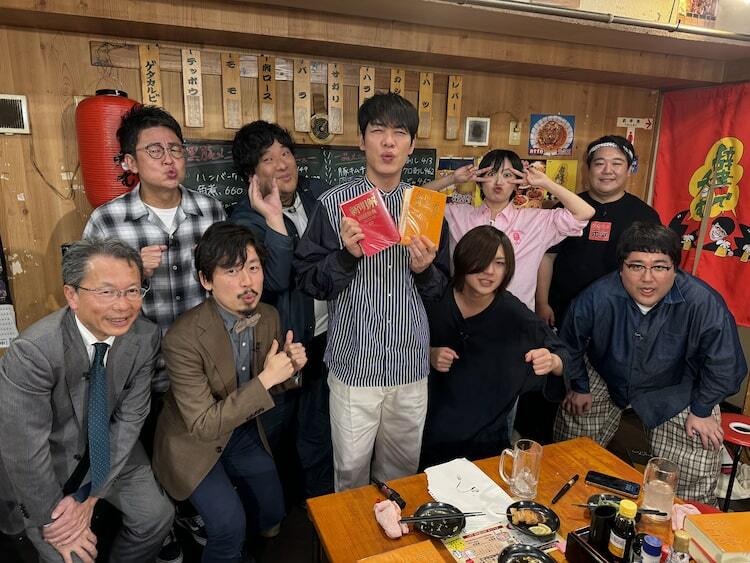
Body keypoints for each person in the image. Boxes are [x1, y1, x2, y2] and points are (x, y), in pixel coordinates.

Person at [83, 104, 225, 556]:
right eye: (155, 151)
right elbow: (86, 303)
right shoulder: (107, 221)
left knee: (190, 445)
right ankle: (160, 528)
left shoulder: (210, 209)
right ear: (130, 161)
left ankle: (186, 511)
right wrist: (132, 276)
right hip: (137, 370)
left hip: (198, 364)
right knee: (145, 446)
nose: (169, 160)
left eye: (176, 149)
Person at [294, 92, 450, 491]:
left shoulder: (426, 207)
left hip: (410, 364)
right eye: (378, 131)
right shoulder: (334, 204)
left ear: (411, 146)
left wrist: (423, 271)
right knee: (350, 473)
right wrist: (346, 257)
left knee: (402, 473)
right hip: (354, 363)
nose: (389, 142)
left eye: (400, 133)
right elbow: (310, 280)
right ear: (361, 140)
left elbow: (441, 290)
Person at [0, 239, 173, 563]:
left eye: (132, 291)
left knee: (157, 517)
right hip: (48, 461)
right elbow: (24, 451)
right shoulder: (34, 352)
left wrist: (91, 495)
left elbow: (130, 419)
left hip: (111, 447)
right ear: (72, 295)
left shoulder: (145, 336)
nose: (123, 306)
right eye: (106, 292)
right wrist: (54, 520)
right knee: (72, 555)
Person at [554, 223, 747, 504]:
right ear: (621, 268)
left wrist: (703, 408)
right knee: (569, 446)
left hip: (675, 385)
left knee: (697, 455)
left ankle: (685, 519)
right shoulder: (597, 295)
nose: (648, 279)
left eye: (660, 267)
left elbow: (726, 365)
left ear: (675, 269)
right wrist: (579, 385)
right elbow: (569, 343)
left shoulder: (703, 302)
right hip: (606, 370)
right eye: (636, 266)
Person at [153, 222, 307, 562]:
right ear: (205, 280)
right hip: (192, 442)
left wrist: (291, 369)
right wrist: (267, 379)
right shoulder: (182, 338)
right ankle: (209, 532)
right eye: (232, 271)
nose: (247, 282)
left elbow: (274, 384)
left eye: (253, 268)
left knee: (273, 513)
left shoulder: (268, 315)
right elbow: (204, 425)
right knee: (228, 528)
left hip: (241, 431)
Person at [229, 120, 333, 498]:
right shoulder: (244, 219)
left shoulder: (316, 198)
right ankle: (277, 512)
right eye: (269, 159)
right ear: (251, 173)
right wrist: (274, 218)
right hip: (278, 347)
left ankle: (317, 506)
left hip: (324, 338)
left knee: (318, 429)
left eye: (285, 153)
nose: (283, 164)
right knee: (276, 431)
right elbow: (273, 279)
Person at [420, 226, 566, 469]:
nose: (490, 272)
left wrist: (552, 361)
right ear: (463, 259)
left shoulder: (513, 312)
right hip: (428, 430)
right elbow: (399, 344)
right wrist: (429, 354)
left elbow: (561, 353)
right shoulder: (437, 297)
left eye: (499, 263)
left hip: (485, 437)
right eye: (482, 260)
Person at [426, 149, 594, 310]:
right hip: (463, 314)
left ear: (516, 185)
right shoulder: (458, 214)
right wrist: (452, 179)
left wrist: (545, 183)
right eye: (491, 174)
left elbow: (585, 212)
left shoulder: (536, 220)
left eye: (507, 175)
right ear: (479, 181)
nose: (498, 182)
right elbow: (415, 199)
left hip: (516, 318)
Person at [536, 135, 661, 327]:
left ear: (629, 170)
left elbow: (652, 267)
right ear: (587, 169)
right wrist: (542, 303)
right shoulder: (566, 208)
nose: (607, 170)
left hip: (620, 314)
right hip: (562, 310)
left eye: (617, 163)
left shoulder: (645, 215)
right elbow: (547, 257)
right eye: (599, 163)